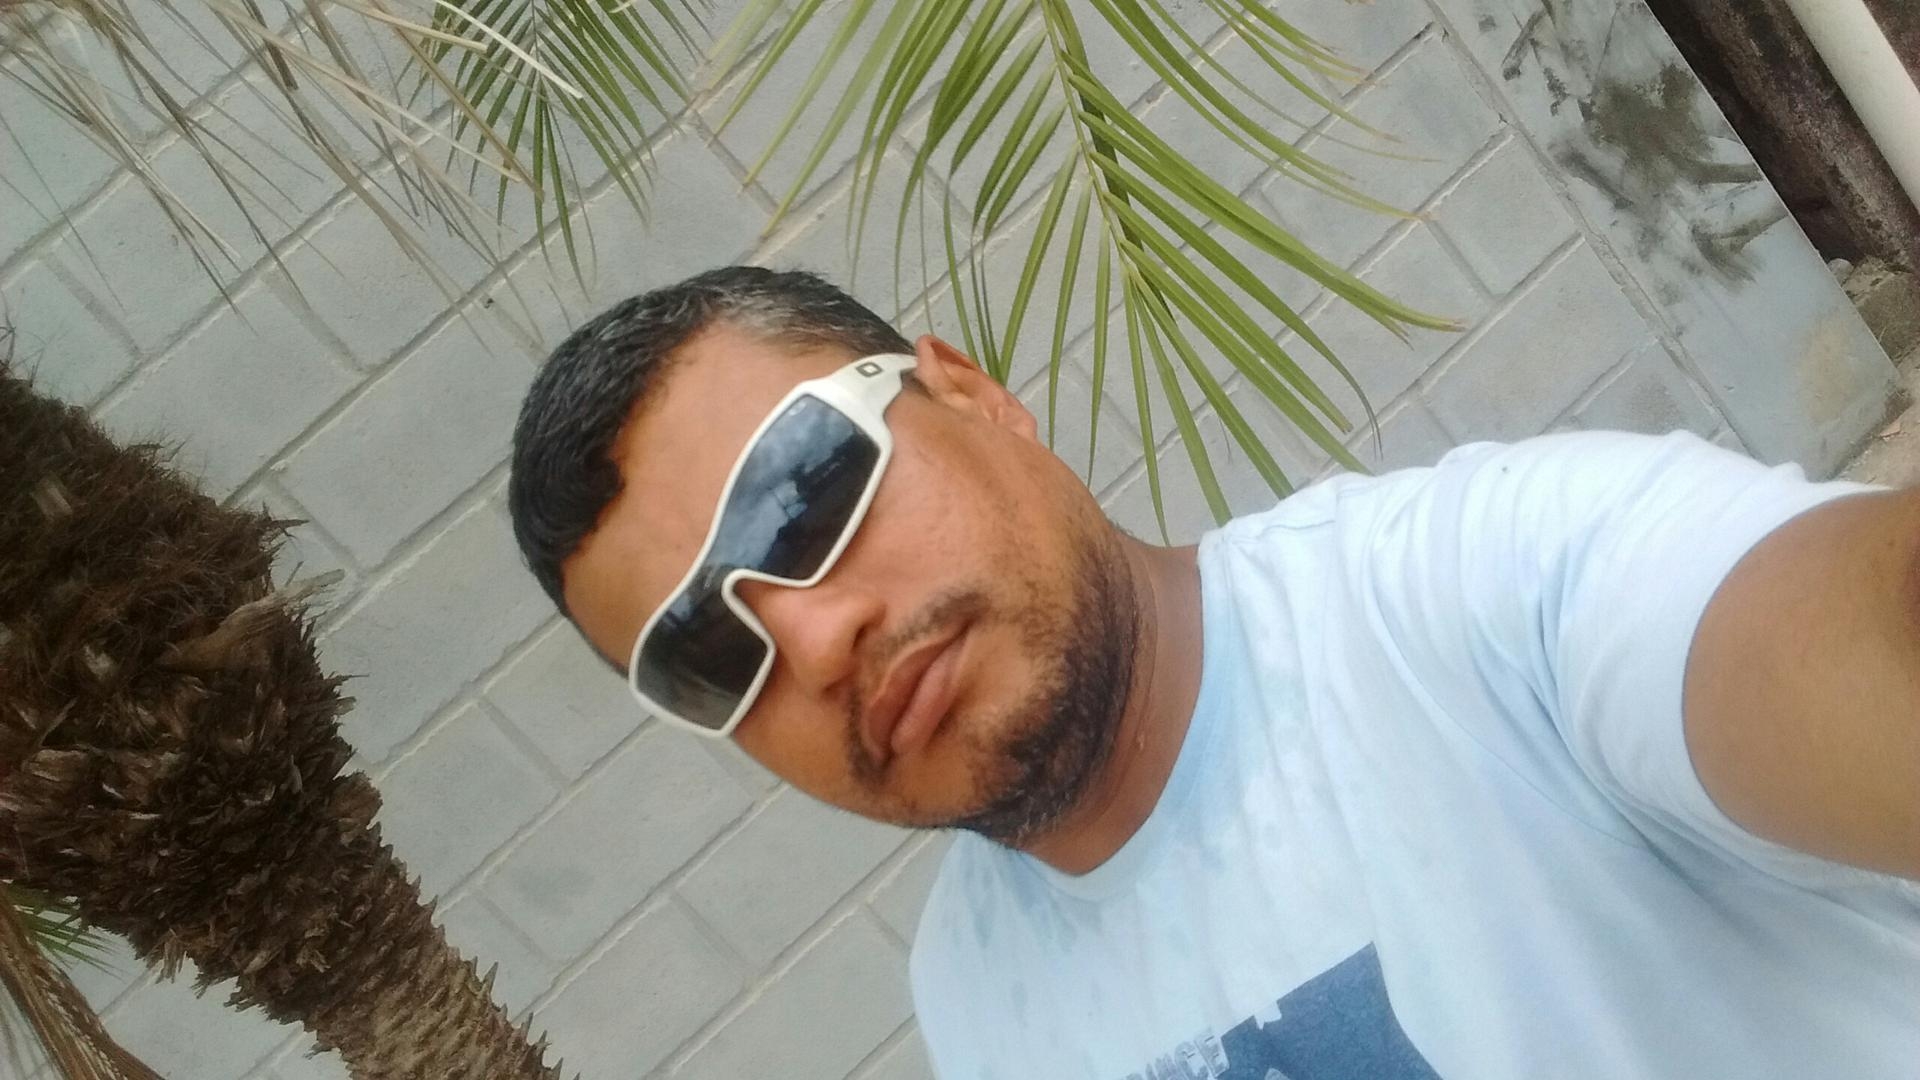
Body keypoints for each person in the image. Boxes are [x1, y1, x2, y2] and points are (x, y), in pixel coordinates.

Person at [508, 266, 1920, 1079]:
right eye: (706, 656)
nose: (814, 643)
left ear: (971, 395)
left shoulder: (1480, 590)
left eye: (806, 495)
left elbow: (1852, 643)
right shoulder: (977, 993)